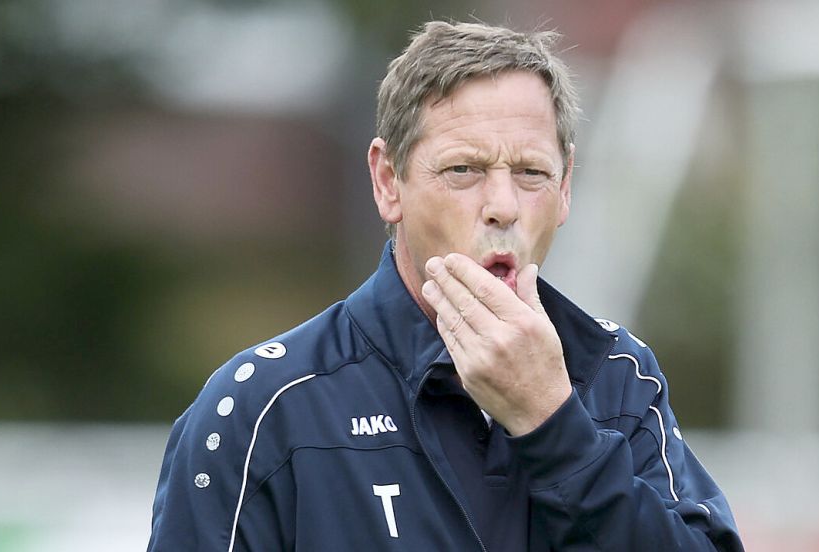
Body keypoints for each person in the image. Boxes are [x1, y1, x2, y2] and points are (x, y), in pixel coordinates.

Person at [148, 21, 744, 551]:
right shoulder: (265, 406)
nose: (503, 206)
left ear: (565, 190)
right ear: (388, 182)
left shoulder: (617, 376)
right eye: (464, 170)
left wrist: (553, 424)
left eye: (532, 173)